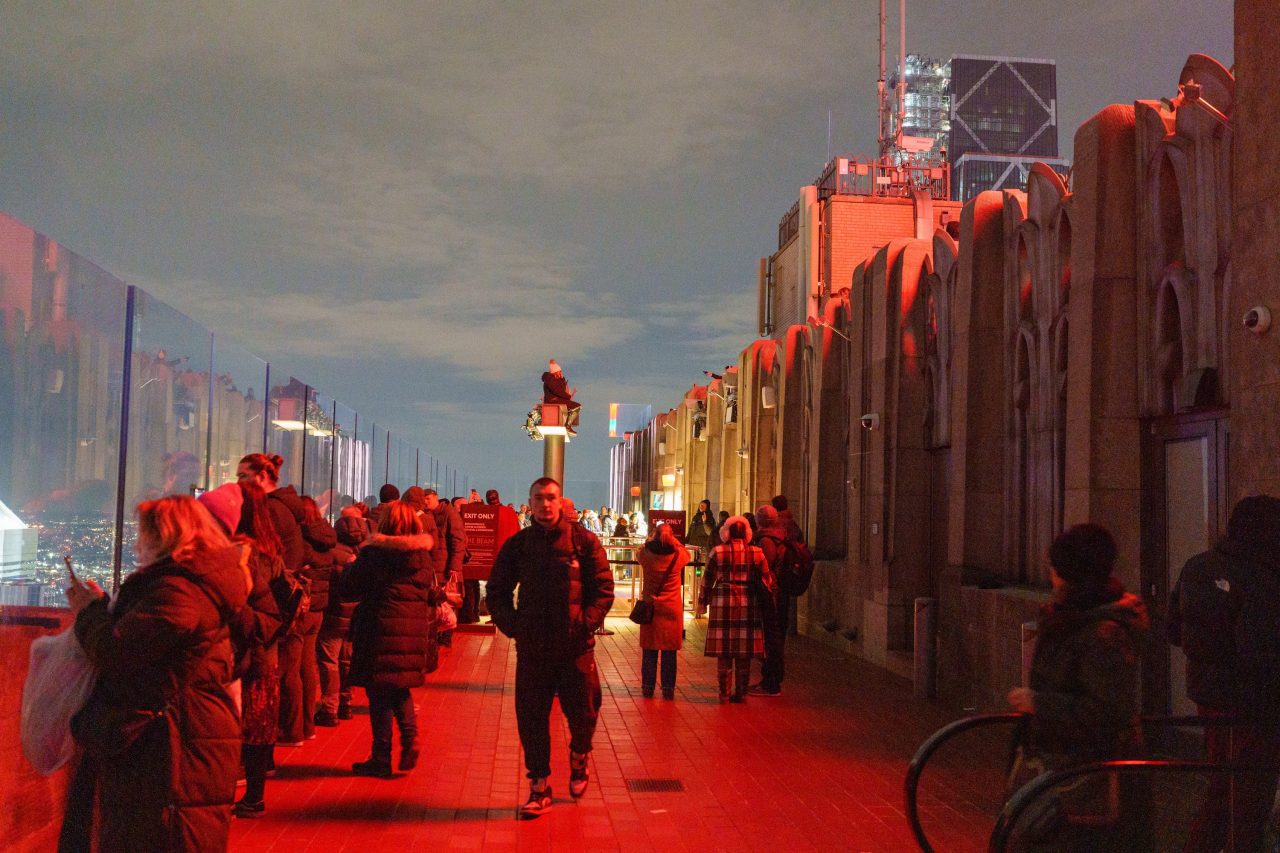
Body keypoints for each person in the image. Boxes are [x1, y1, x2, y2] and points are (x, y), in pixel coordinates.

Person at [62, 495, 248, 851]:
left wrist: (89, 613)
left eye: (143, 535)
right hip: (188, 733)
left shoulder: (179, 591)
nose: (136, 544)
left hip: (172, 745)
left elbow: (117, 652)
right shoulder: (201, 582)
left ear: (165, 536)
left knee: (160, 835)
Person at [1005, 524, 1149, 851]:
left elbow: (1107, 710)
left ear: (1069, 573)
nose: (1050, 575)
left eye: (1055, 568)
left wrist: (1038, 702)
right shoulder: (1072, 618)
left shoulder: (1103, 631)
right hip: (1067, 775)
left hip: (1088, 784)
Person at [486, 477, 614, 818]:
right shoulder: (519, 545)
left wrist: (584, 624)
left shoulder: (584, 542)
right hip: (533, 649)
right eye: (539, 498)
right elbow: (496, 591)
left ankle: (579, 756)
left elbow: (603, 589)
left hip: (575, 648)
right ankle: (539, 786)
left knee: (585, 713)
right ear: (530, 501)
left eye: (551, 498)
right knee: (531, 719)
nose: (545, 504)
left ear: (560, 501)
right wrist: (514, 627)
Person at [1170, 495, 1280, 853]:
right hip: (1253, 708)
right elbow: (1260, 652)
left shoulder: (1196, 567)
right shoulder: (1263, 577)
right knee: (1248, 801)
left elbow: (1173, 629)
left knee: (1221, 790)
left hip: (1208, 699)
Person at [339, 501, 437, 778]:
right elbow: (429, 593)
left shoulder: (374, 554)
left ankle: (381, 756)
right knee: (399, 686)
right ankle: (409, 737)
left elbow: (351, 588)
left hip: (378, 629)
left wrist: (349, 567)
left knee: (378, 692)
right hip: (412, 631)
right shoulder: (422, 556)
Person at [210, 482, 286, 818]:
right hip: (267, 651)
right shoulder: (271, 547)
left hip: (246, 653)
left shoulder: (243, 554)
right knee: (258, 727)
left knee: (237, 726)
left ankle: (240, 794)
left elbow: (240, 603)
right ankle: (254, 795)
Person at [700, 515, 773, 703]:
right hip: (748, 602)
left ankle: (723, 694)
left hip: (723, 601)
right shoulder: (756, 553)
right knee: (744, 651)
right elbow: (767, 579)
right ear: (747, 533)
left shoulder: (717, 552)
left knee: (724, 651)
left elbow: (707, 580)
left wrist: (702, 602)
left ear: (727, 532)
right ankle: (741, 693)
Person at [318, 511, 366, 723]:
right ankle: (346, 703)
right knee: (347, 661)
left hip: (333, 616)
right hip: (355, 619)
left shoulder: (331, 553)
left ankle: (330, 707)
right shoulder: (366, 555)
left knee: (329, 661)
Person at [298, 495, 338, 734]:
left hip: (302, 607)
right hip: (319, 607)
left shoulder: (301, 542)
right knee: (309, 665)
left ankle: (298, 721)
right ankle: (308, 720)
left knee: (299, 665)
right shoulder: (327, 540)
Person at [636, 523, 689, 699]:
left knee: (649, 650)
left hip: (651, 607)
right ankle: (668, 688)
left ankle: (648, 687)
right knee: (669, 652)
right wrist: (673, 539)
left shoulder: (646, 554)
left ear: (655, 535)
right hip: (672, 608)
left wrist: (650, 540)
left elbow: (639, 551)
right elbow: (687, 554)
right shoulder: (678, 554)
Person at [749, 504, 789, 697]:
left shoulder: (766, 541)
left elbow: (765, 567)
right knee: (775, 637)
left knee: (771, 638)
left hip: (770, 593)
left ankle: (771, 682)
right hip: (778, 592)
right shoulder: (779, 536)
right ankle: (771, 679)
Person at [541, 358, 582, 435]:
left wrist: (562, 379)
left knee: (574, 406)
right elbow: (558, 391)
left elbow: (560, 389)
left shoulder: (554, 379)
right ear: (555, 372)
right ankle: (568, 426)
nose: (561, 373)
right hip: (553, 400)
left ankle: (567, 425)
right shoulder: (550, 379)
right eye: (559, 372)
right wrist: (568, 397)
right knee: (577, 406)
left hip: (555, 399)